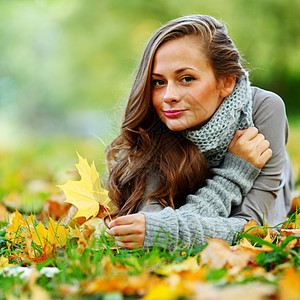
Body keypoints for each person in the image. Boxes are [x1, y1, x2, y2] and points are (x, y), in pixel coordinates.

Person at [105, 15, 294, 249]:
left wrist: (164, 231)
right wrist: (235, 172)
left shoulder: (264, 109)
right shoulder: (154, 127)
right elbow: (148, 221)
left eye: (186, 79)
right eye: (158, 82)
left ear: (226, 82)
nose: (168, 96)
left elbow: (253, 230)